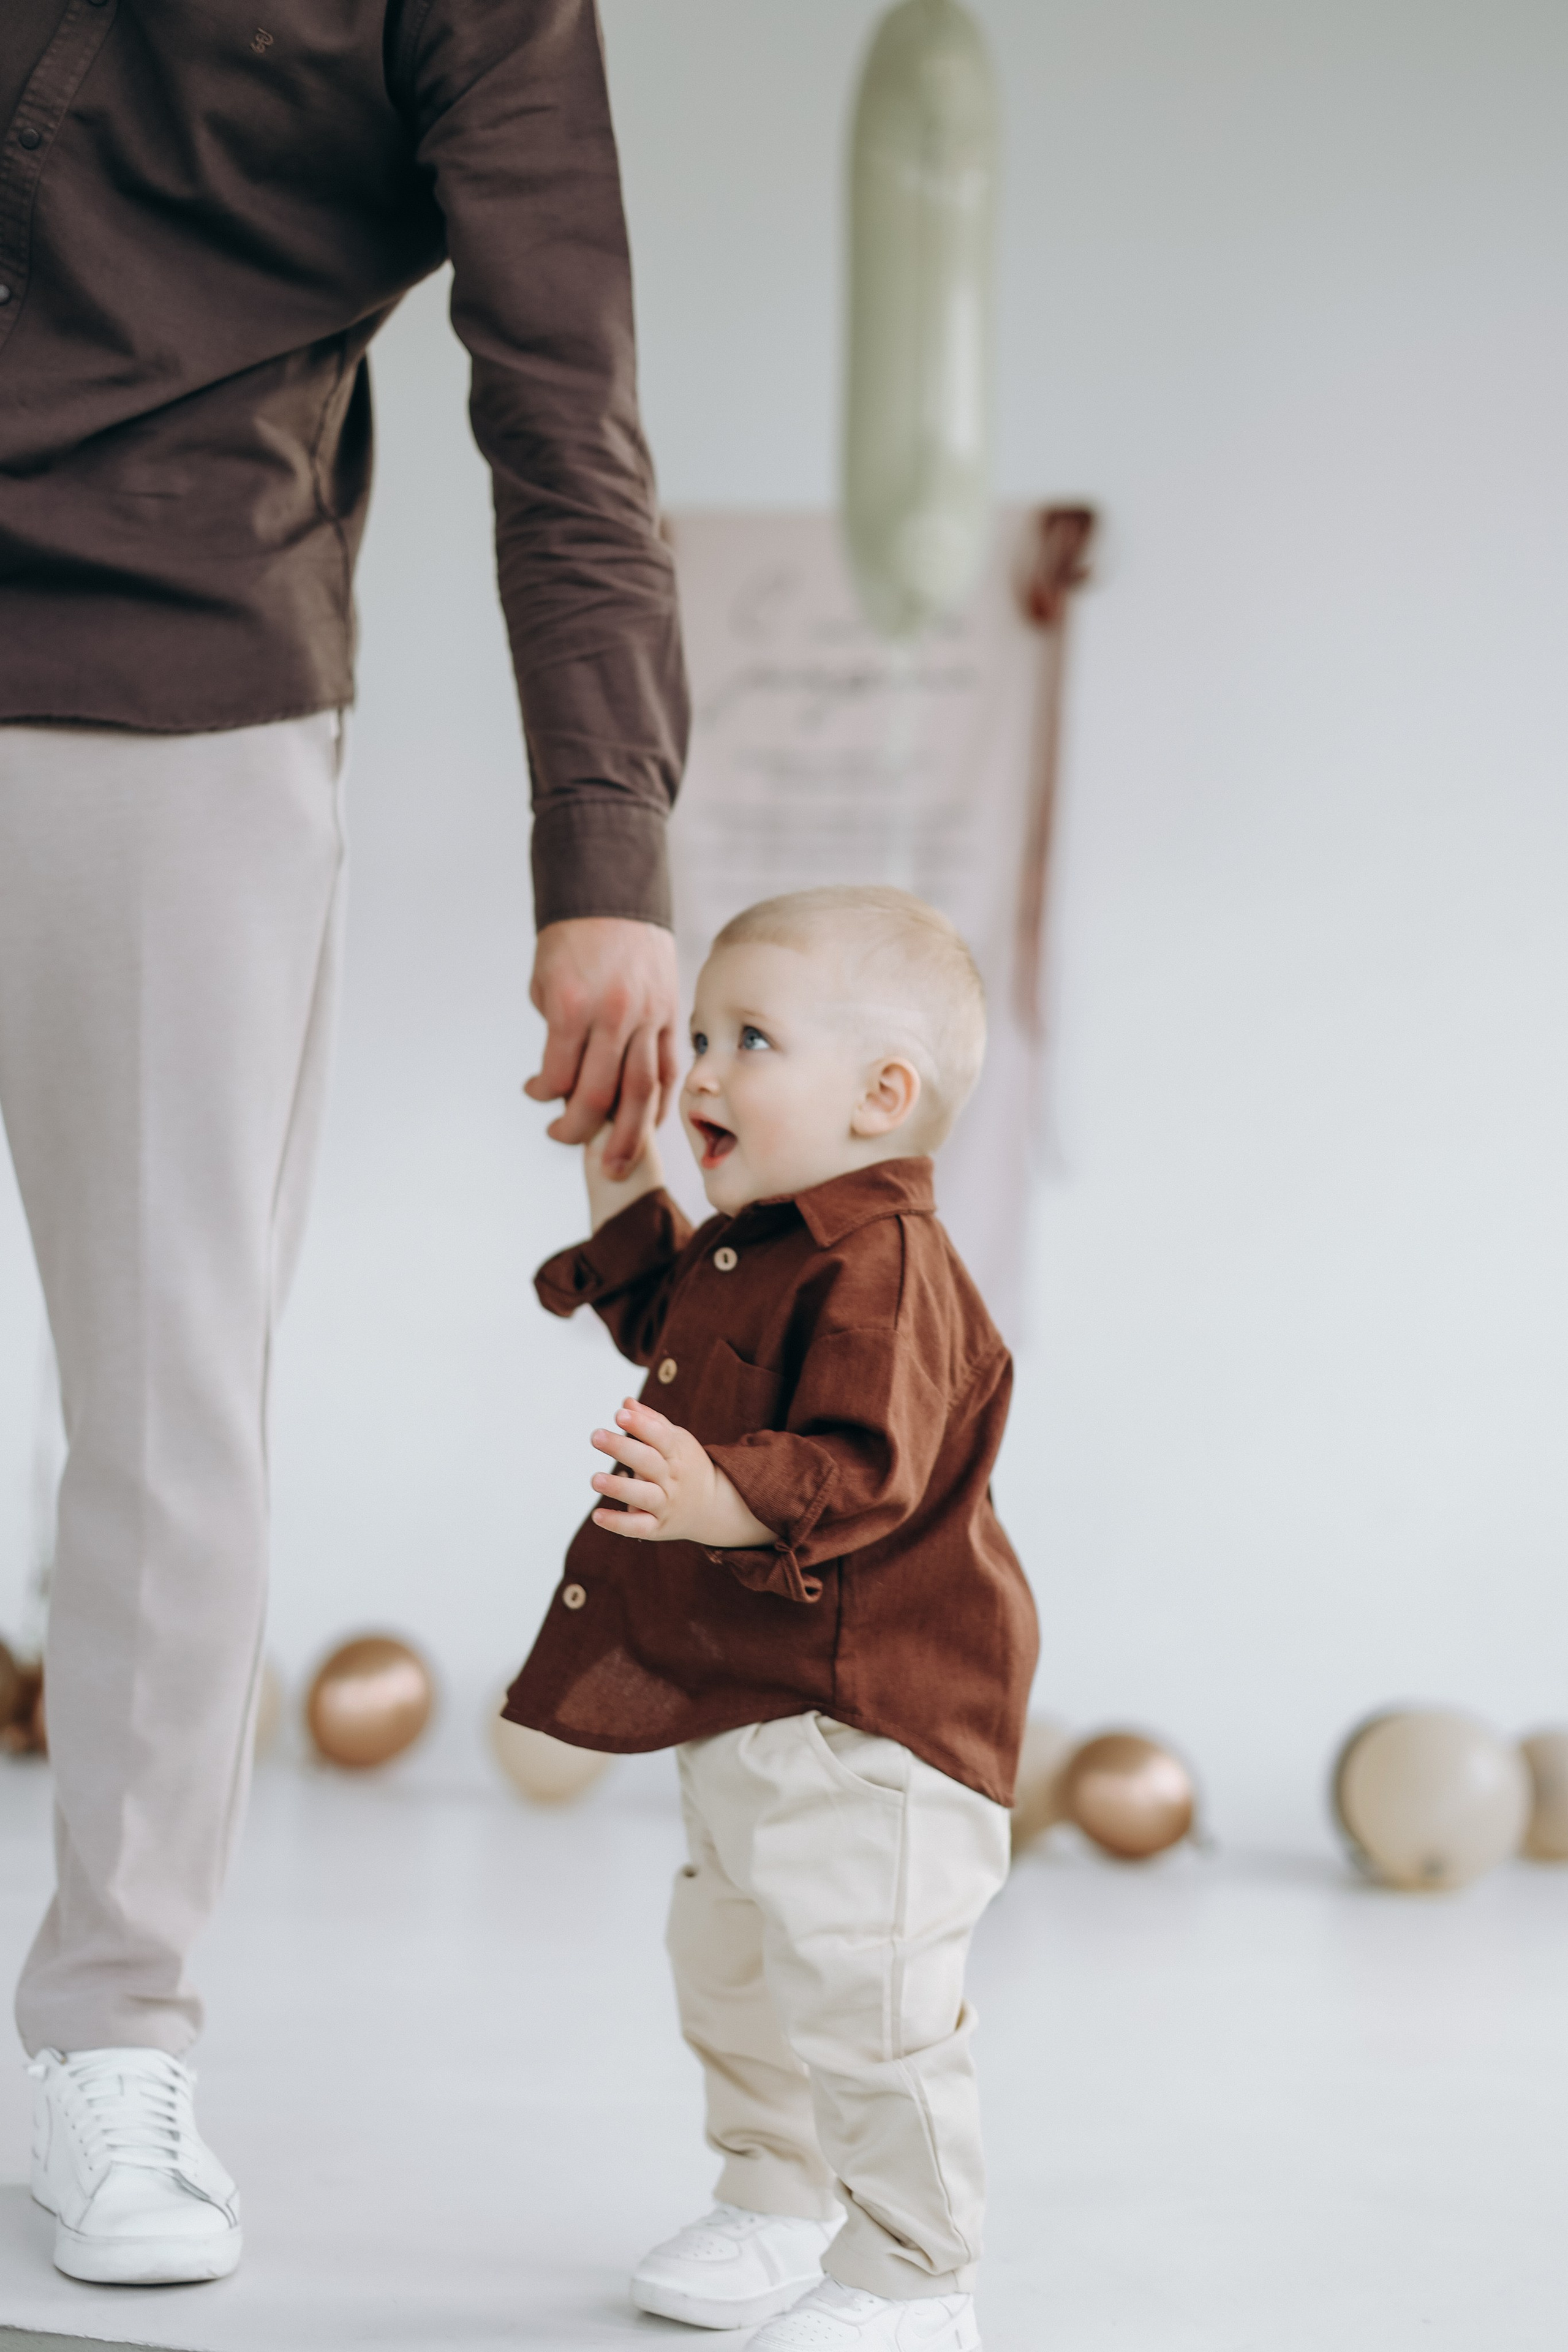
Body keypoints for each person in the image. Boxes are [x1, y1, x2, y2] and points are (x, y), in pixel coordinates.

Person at [0, 0, 687, 2290]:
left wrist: (606, 857)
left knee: (170, 1396)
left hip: (165, 681)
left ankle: (114, 2040)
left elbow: (563, 413)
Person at [505, 886, 1039, 2352]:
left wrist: (718, 1502)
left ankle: (913, 2277)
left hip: (874, 1717)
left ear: (883, 1095)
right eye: (699, 1036)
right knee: (734, 1970)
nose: (705, 1073)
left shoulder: (888, 1266)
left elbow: (865, 1465)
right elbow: (660, 1317)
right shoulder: (760, 1246)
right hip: (750, 1698)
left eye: (749, 1038)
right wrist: (619, 1176)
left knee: (869, 2003)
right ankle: (772, 2196)